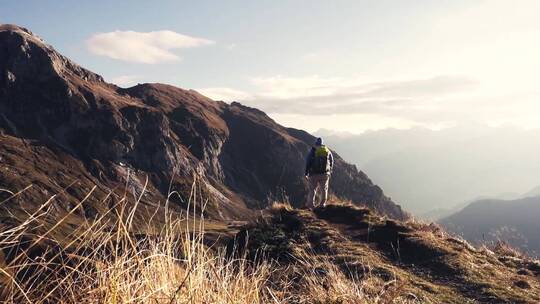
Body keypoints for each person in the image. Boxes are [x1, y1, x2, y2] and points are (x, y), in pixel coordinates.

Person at [304, 137, 334, 209]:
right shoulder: (327, 151)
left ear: (316, 143)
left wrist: (306, 172)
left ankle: (310, 205)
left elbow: (308, 162)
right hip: (324, 174)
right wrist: (330, 170)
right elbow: (331, 161)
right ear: (322, 143)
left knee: (312, 190)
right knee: (324, 189)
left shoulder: (313, 151)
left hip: (313, 174)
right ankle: (322, 204)